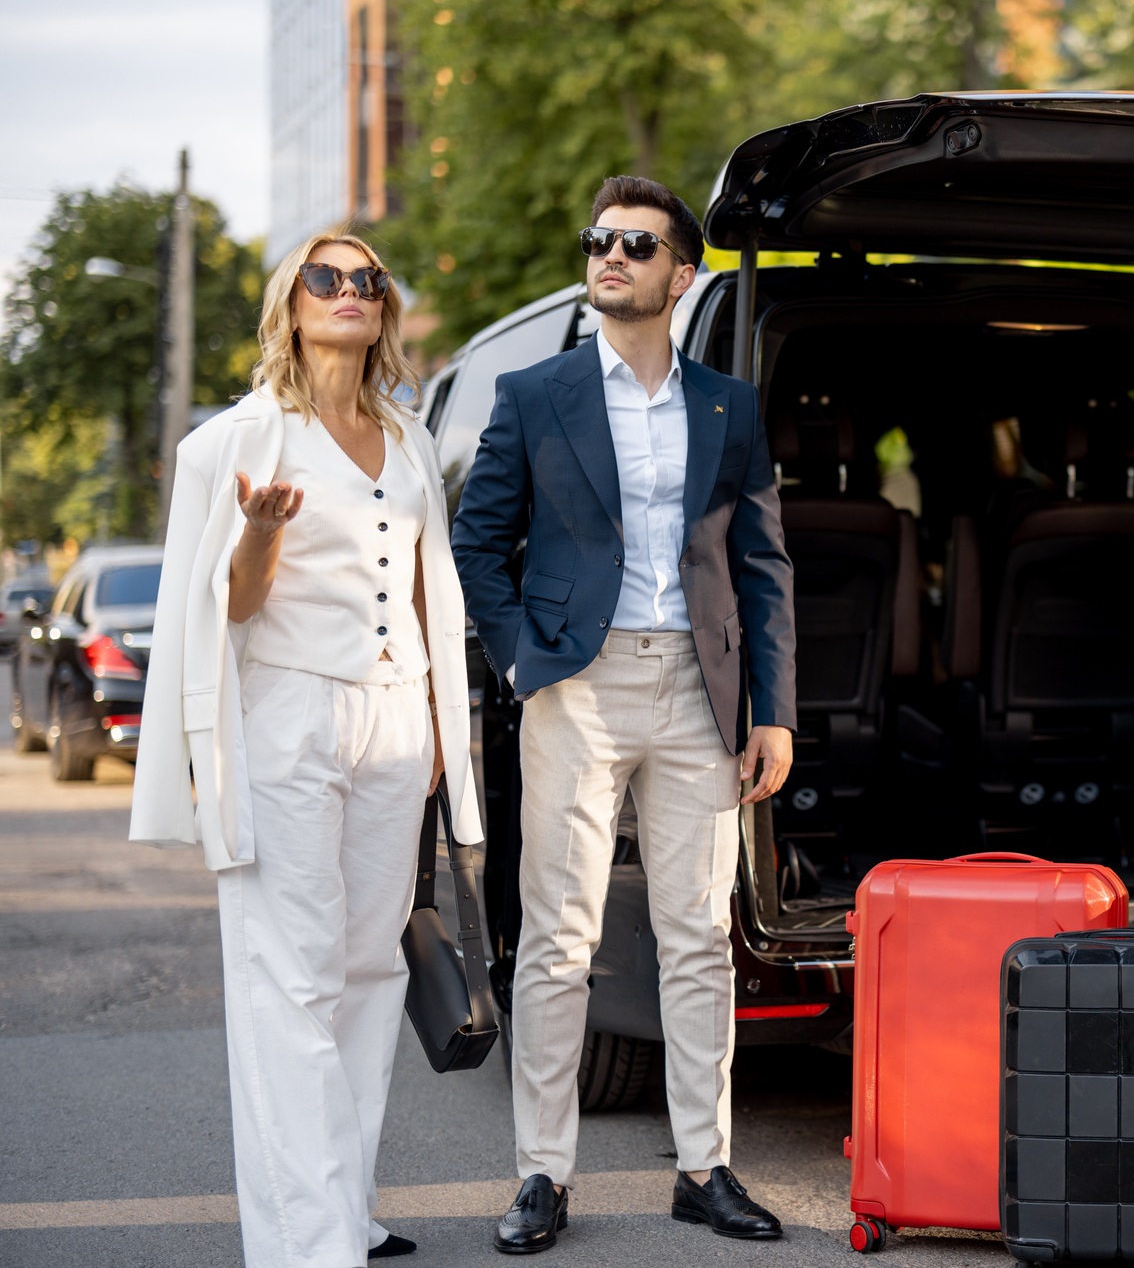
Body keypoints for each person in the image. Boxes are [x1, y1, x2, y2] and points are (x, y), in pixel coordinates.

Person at [452, 174, 797, 1254]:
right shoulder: (533, 392)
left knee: (697, 935)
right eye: (599, 240)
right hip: (577, 686)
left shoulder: (728, 406)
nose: (610, 255)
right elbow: (477, 541)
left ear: (680, 275)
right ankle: (542, 1174)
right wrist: (523, 660)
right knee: (559, 938)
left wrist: (774, 710)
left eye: (636, 245)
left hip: (700, 691)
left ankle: (703, 1167)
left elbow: (762, 564)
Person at [132, 231, 481, 1267]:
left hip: (395, 719)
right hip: (286, 712)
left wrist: (436, 721)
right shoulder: (238, 440)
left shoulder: (407, 435)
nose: (348, 290)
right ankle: (304, 1239)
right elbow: (229, 607)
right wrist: (260, 531)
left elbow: (424, 583)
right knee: (288, 976)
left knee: (370, 968)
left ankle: (347, 1208)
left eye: (368, 279)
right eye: (325, 277)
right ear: (292, 303)